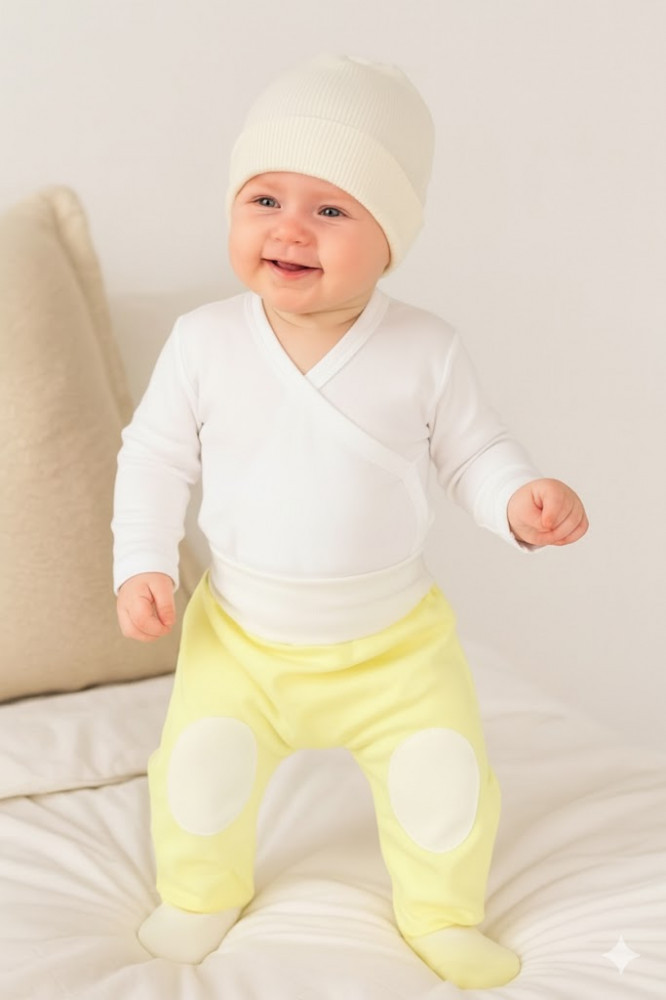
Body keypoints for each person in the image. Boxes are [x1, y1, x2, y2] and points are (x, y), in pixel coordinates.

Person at [112, 54, 588, 988]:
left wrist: (518, 500)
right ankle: (202, 894)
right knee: (201, 772)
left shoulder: (424, 349)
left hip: (395, 651)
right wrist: (143, 562)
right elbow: (154, 458)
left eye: (331, 209)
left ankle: (441, 915)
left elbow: (473, 453)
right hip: (241, 643)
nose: (290, 227)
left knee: (442, 782)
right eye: (264, 199)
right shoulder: (205, 342)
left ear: (391, 238)